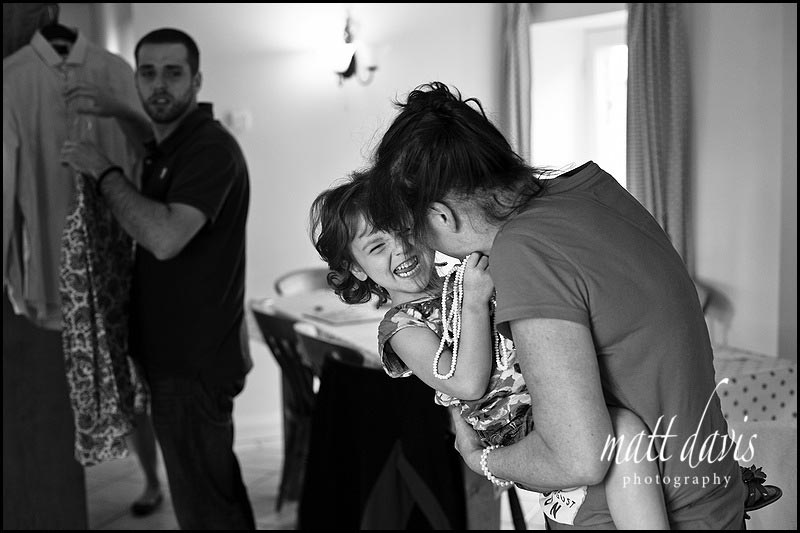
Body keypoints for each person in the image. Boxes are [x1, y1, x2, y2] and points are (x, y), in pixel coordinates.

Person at [358, 81, 749, 530]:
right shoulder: (595, 191)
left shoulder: (523, 251)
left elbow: (578, 455)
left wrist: (484, 459)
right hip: (712, 497)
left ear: (441, 215)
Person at [309, 175, 670, 528]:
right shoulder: (401, 327)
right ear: (356, 268)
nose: (400, 248)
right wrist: (475, 301)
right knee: (624, 431)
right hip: (514, 430)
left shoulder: (463, 278)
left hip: (555, 395)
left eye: (404, 229)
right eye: (377, 246)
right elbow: (466, 384)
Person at [60, 28, 255, 529]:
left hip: (195, 364)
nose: (159, 85)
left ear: (196, 80)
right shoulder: (173, 144)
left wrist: (103, 171)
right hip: (179, 358)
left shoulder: (210, 150)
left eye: (173, 73)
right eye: (147, 73)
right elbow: (151, 144)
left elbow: (165, 236)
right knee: (207, 492)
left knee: (205, 504)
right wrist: (121, 112)